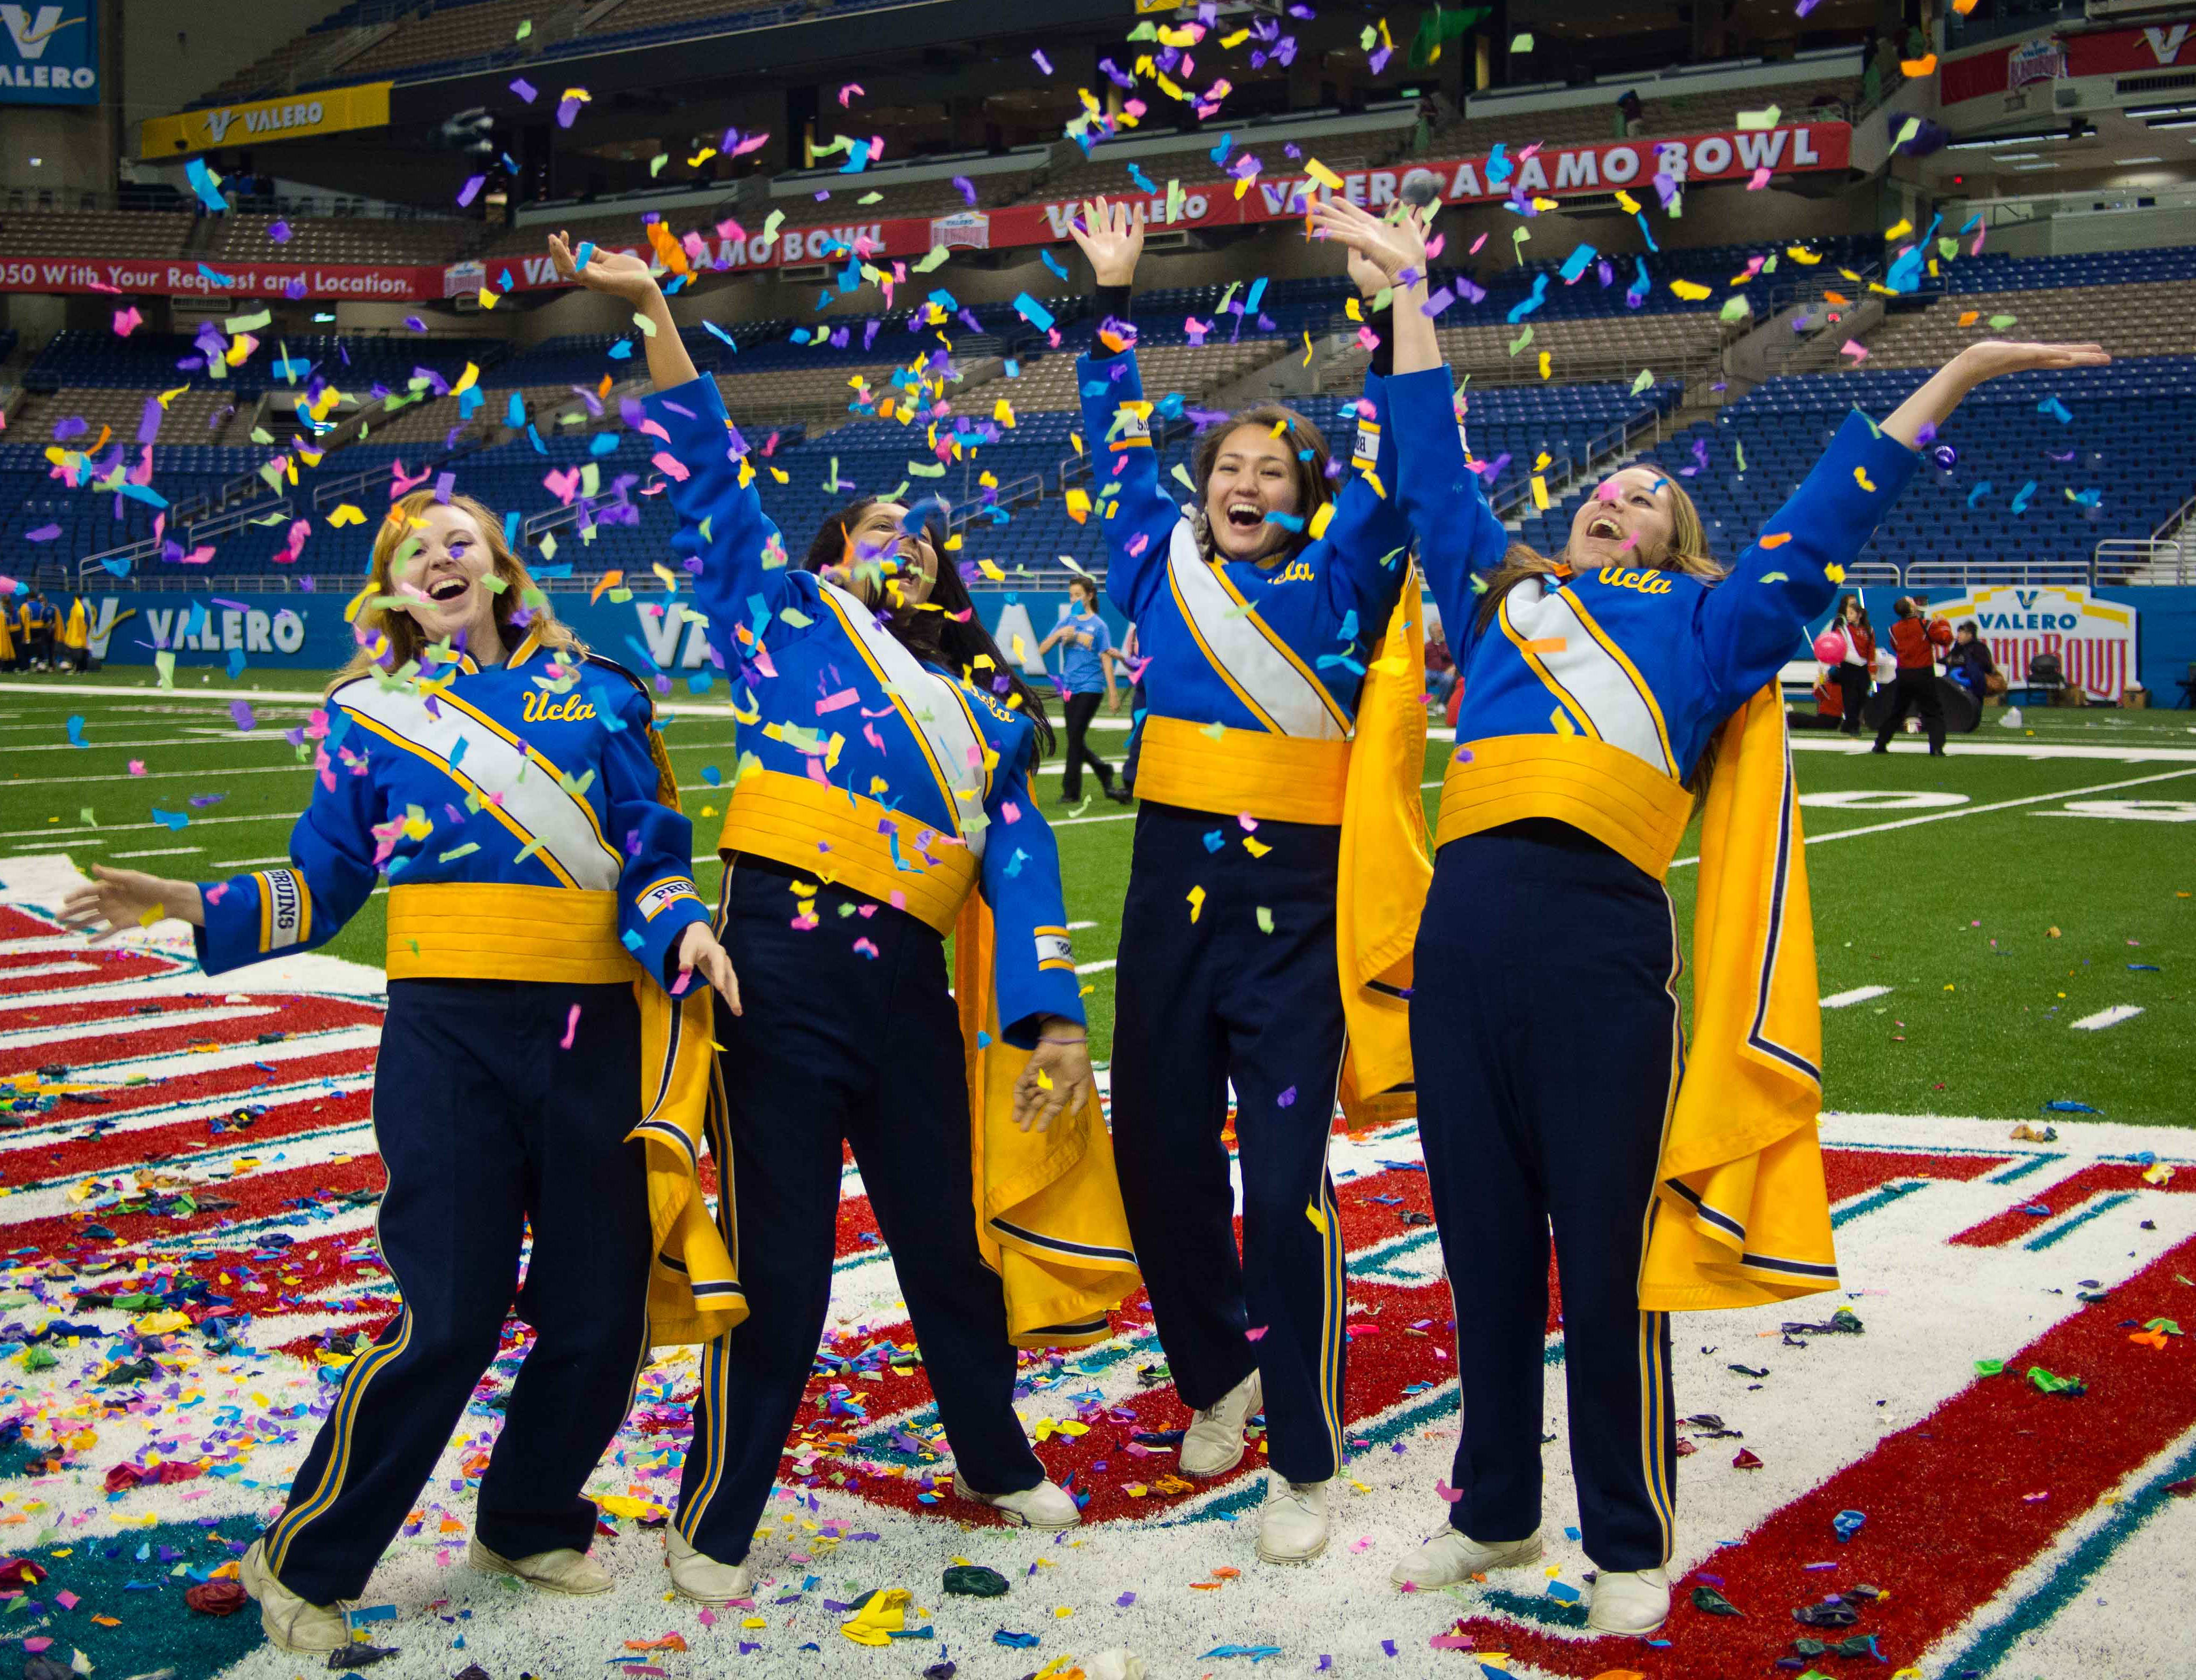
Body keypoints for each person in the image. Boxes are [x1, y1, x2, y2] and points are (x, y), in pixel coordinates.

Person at [1310, 189, 2109, 1634]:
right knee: (1482, 1251)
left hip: (1601, 951)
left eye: (1648, 501)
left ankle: (1622, 1538)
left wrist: (1957, 378)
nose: (1614, 498)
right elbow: (1428, 476)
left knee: (1604, 1255)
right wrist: (1407, 297)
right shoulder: (1501, 600)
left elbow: (1826, 507)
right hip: (1465, 939)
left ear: (1682, 542)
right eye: (1602, 492)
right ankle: (1490, 1517)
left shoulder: (1714, 626)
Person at [548, 232, 1140, 1605]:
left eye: (919, 542)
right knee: (786, 1270)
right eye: (875, 532)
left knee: (950, 1244)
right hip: (779, 979)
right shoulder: (781, 620)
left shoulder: (991, 711)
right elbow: (705, 474)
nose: (902, 545)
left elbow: (1022, 865)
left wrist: (1052, 1018)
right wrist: (656, 314)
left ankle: (993, 1457)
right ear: (829, 558)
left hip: (910, 997)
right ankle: (719, 1512)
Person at [56, 488, 744, 1653]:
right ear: (391, 589)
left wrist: (680, 922)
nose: (438, 552)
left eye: (460, 538)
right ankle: (302, 1558)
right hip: (445, 1037)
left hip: (596, 1033)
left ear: (501, 569)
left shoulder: (607, 691)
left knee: (596, 1303)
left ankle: (526, 1518)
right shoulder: (367, 712)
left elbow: (647, 849)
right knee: (450, 1311)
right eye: (412, 547)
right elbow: (321, 884)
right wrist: (185, 900)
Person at [1067, 196, 1429, 1565]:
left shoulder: (1347, 575)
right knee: (1159, 1161)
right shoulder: (1149, 567)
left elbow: (1402, 472)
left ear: (1308, 493)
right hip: (1169, 903)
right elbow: (1112, 455)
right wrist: (1111, 304)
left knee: (1279, 1186)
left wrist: (1394, 298)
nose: (1246, 478)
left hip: (1296, 916)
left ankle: (1307, 1454)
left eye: (1275, 466)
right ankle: (1214, 1373)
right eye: (1230, 461)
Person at [1038, 574, 1129, 804]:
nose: (1074, 599)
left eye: (1078, 595)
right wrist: (1060, 634)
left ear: (1090, 596)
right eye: (1071, 595)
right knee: (1074, 738)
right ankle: (1103, 770)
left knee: (1075, 737)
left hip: (1091, 687)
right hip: (1070, 688)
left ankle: (1071, 792)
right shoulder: (1067, 622)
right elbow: (1042, 649)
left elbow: (1107, 659)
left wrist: (1113, 694)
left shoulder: (1099, 626)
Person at [1872, 595, 1954, 755]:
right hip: (1923, 673)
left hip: (1904, 674)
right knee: (1932, 711)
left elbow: (1896, 647)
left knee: (1898, 711)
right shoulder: (1926, 625)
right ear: (1911, 609)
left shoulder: (1894, 629)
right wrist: (1943, 623)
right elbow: (1946, 639)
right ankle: (1936, 747)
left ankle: (1881, 743)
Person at [1829, 594, 1874, 736]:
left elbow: (1871, 650)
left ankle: (1848, 724)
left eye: (1852, 613)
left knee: (1862, 696)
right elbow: (1835, 643)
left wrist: (1873, 670)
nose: (1848, 616)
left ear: (1859, 615)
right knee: (1850, 697)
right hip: (1848, 666)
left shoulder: (1868, 630)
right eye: (1847, 612)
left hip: (1863, 667)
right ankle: (1854, 726)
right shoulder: (1842, 628)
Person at [1945, 618, 1998, 698]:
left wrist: (1964, 670)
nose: (1958, 636)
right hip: (1953, 686)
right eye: (1958, 633)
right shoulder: (1957, 648)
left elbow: (1986, 667)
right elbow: (1946, 660)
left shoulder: (1979, 648)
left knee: (1955, 674)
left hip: (1972, 687)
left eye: (1961, 633)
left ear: (1970, 635)